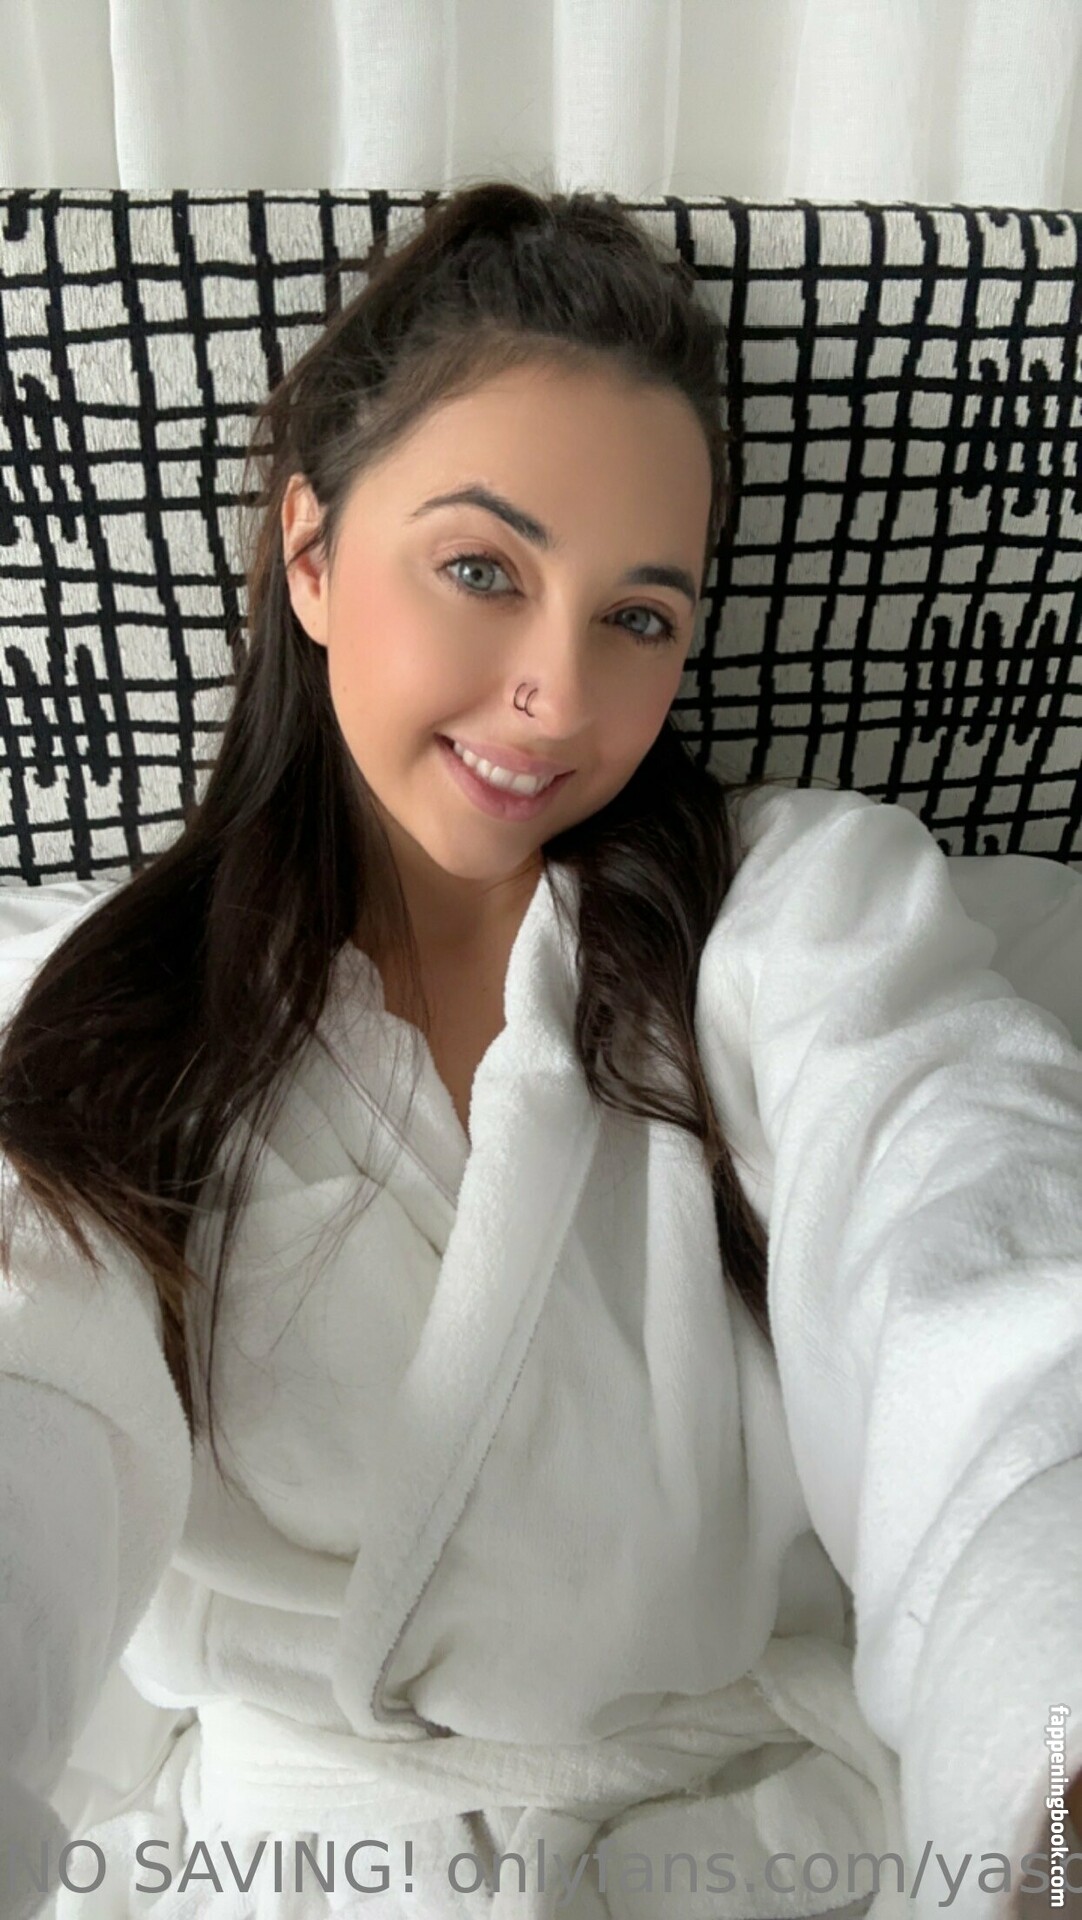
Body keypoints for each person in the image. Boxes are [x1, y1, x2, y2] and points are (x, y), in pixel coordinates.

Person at [0, 178, 1080, 1920]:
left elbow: (980, 1255)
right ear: (309, 554)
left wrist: (1056, 1763)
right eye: (482, 570)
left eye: (637, 617)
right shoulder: (95, 1002)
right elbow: (22, 1388)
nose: (560, 698)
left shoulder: (797, 915)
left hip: (747, 1854)